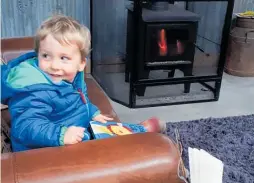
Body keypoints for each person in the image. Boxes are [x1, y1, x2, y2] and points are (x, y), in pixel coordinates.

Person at [1, 15, 165, 152]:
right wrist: (61, 135)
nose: (54, 65)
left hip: (73, 127)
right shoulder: (33, 88)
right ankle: (139, 138)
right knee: (110, 151)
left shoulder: (72, 75)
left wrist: (91, 112)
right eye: (46, 56)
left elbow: (79, 99)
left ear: (81, 63)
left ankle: (136, 132)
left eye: (63, 58)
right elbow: (25, 126)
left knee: (106, 131)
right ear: (38, 55)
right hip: (44, 147)